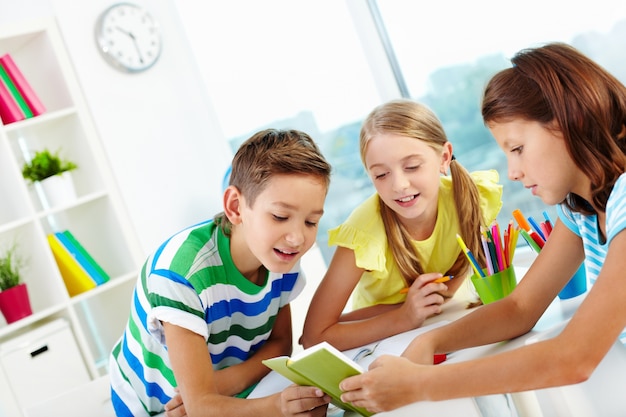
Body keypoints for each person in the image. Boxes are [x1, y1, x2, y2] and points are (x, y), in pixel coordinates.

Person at [338, 42, 626, 414]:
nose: (513, 172)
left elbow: (574, 358)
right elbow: (521, 307)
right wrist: (432, 341)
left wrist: (420, 386)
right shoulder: (582, 210)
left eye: (517, 148)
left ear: (572, 120)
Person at [109, 129, 333, 417]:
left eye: (311, 222)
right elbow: (200, 408)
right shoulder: (181, 273)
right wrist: (276, 407)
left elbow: (280, 344)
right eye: (280, 216)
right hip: (157, 409)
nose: (297, 237)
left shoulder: (281, 255)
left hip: (225, 394)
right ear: (236, 207)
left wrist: (219, 386)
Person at [300, 99, 503, 351]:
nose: (399, 185)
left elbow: (484, 274)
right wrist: (404, 316)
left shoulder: (473, 197)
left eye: (412, 166)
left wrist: (430, 303)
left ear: (444, 157)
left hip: (445, 323)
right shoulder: (364, 233)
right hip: (380, 344)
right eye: (381, 175)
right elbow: (312, 336)